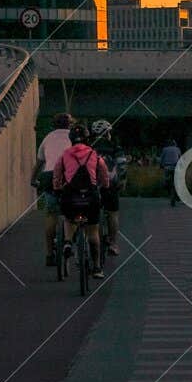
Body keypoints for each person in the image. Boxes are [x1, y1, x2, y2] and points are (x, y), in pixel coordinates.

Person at [53, 122, 111, 278]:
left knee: (68, 218)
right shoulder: (94, 154)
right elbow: (104, 176)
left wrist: (58, 188)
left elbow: (57, 176)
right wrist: (104, 188)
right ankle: (97, 268)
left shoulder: (65, 155)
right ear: (87, 139)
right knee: (93, 231)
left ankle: (67, 242)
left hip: (71, 196)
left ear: (71, 139)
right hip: (91, 196)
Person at [32, 113, 72, 267]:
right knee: (71, 209)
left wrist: (32, 180)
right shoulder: (74, 137)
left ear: (53, 125)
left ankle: (49, 254)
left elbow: (39, 163)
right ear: (70, 125)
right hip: (68, 175)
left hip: (49, 176)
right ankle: (69, 240)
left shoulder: (47, 138)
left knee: (50, 214)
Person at [92, 119, 127, 256]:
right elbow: (122, 165)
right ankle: (113, 243)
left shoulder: (88, 146)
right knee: (112, 213)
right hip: (110, 183)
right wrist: (122, 181)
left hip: (92, 184)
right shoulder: (115, 146)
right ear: (108, 133)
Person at [160, 137, 181, 204]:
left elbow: (161, 159)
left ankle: (166, 187)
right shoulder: (177, 149)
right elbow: (180, 158)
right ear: (175, 144)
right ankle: (177, 194)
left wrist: (161, 165)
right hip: (176, 167)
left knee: (166, 180)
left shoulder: (164, 149)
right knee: (177, 181)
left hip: (167, 167)